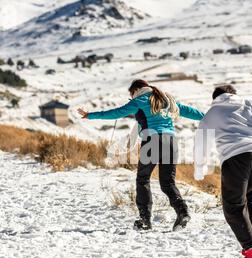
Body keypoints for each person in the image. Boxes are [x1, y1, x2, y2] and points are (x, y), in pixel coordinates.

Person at [78, 79, 204, 231]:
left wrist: (90, 115)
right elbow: (190, 111)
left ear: (136, 90)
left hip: (152, 140)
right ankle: (182, 212)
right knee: (168, 183)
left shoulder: (140, 100)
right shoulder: (167, 99)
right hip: (171, 141)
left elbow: (116, 113)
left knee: (143, 179)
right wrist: (210, 117)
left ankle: (145, 221)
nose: (132, 97)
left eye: (131, 94)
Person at [194, 85, 252, 258]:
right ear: (233, 94)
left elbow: (201, 139)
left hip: (235, 156)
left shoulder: (214, 111)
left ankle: (251, 250)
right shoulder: (249, 103)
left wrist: (200, 168)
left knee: (233, 205)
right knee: (251, 196)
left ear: (215, 98)